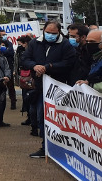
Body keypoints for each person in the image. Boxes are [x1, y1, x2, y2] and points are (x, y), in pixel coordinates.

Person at [22, 20, 77, 158]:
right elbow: (25, 59)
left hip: (59, 87)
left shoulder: (65, 44)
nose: (50, 35)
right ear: (43, 31)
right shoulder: (35, 43)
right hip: (41, 87)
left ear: (59, 32)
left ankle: (61, 148)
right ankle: (45, 147)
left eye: (54, 33)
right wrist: (35, 66)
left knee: (59, 118)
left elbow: (69, 62)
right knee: (42, 117)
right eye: (48, 32)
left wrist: (49, 67)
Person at [0, 30, 17, 110]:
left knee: (10, 86)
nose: (5, 36)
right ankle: (0, 102)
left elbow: (10, 52)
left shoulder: (9, 43)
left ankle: (13, 102)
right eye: (3, 35)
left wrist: (3, 51)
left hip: (9, 68)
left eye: (5, 34)